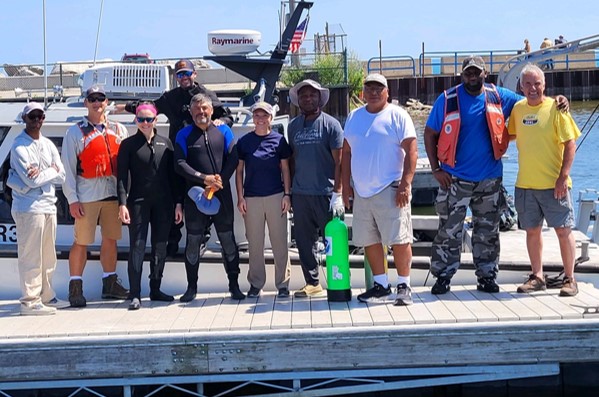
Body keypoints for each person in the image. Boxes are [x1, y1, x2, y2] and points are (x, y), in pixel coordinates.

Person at [424, 56, 523, 295]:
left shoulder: (499, 96)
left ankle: (487, 276)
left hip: (489, 179)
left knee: (487, 231)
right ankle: (443, 277)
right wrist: (436, 169)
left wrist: (557, 102)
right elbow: (429, 133)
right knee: (448, 230)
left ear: (485, 73)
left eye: (476, 72)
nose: (472, 76)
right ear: (462, 75)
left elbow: (531, 104)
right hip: (454, 178)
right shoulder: (448, 99)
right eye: (468, 72)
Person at [114, 59, 233, 257]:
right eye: (180, 75)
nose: (184, 77)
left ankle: (203, 237)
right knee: (174, 196)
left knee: (205, 198)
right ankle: (172, 240)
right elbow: (149, 107)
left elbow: (227, 116)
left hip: (199, 157)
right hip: (177, 156)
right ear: (176, 78)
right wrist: (125, 106)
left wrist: (222, 121)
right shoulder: (170, 97)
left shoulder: (206, 95)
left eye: (187, 73)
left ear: (194, 74)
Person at [342, 73, 417, 306]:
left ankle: (404, 285)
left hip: (391, 187)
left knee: (400, 239)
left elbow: (412, 151)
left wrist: (405, 184)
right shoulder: (353, 117)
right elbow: (346, 153)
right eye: (369, 89)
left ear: (387, 92)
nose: (374, 93)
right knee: (369, 240)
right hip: (362, 192)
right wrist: (346, 187)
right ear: (363, 93)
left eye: (379, 89)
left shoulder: (398, 115)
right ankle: (381, 285)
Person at [507, 64, 581, 297]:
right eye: (527, 84)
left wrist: (563, 177)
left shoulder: (557, 108)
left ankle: (570, 278)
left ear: (544, 85)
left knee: (563, 231)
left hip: (554, 185)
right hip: (526, 185)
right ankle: (537, 276)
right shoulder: (518, 110)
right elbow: (506, 136)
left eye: (537, 83)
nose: (533, 88)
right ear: (521, 86)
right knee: (532, 231)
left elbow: (571, 144)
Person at [62, 85, 129, 308]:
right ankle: (75, 287)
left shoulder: (119, 130)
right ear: (86, 102)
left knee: (111, 238)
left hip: (112, 194)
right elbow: (67, 170)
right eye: (92, 98)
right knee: (81, 241)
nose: (97, 102)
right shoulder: (75, 132)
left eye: (101, 98)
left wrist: (125, 198)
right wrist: (72, 199)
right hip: (86, 194)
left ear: (107, 101)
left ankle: (109, 284)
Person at [174, 93, 244, 302]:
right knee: (193, 243)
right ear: (191, 112)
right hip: (196, 197)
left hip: (221, 196)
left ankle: (234, 286)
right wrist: (205, 179)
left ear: (212, 110)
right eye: (196, 110)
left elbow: (234, 157)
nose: (201, 113)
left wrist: (220, 179)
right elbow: (179, 164)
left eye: (204, 108)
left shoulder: (223, 130)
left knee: (228, 241)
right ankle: (191, 288)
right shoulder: (184, 134)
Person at [117, 102, 184, 310]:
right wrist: (122, 204)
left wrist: (178, 204)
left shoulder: (166, 143)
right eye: (141, 119)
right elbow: (121, 178)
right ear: (135, 120)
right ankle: (135, 294)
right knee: (137, 246)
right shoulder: (128, 145)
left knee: (159, 247)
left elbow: (174, 178)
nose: (145, 123)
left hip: (163, 203)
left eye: (149, 119)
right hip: (137, 202)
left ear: (156, 120)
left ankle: (155, 288)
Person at [287, 79, 344, 298]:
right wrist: (290, 192)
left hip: (326, 194)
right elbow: (291, 161)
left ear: (319, 98)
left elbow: (339, 163)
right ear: (298, 100)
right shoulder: (293, 126)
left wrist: (338, 193)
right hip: (301, 194)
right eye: (303, 96)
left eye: (312, 95)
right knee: (304, 242)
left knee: (332, 241)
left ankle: (337, 280)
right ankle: (312, 283)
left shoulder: (331, 125)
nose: (308, 99)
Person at [10, 102, 67, 315]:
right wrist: (51, 170)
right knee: (31, 256)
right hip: (28, 208)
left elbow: (62, 175)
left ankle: (46, 296)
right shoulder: (18, 146)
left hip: (48, 206)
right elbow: (31, 181)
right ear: (24, 118)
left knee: (48, 255)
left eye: (40, 116)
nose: (36, 120)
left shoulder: (49, 144)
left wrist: (45, 172)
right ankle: (30, 302)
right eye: (32, 116)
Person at [235, 102, 292, 298]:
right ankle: (256, 283)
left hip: (276, 196)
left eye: (264, 115)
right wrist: (240, 197)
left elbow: (285, 169)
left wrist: (287, 194)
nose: (260, 119)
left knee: (279, 242)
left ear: (270, 118)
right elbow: (239, 171)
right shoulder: (244, 142)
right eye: (257, 115)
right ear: (253, 118)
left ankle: (283, 284)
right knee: (255, 244)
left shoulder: (279, 141)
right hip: (252, 199)